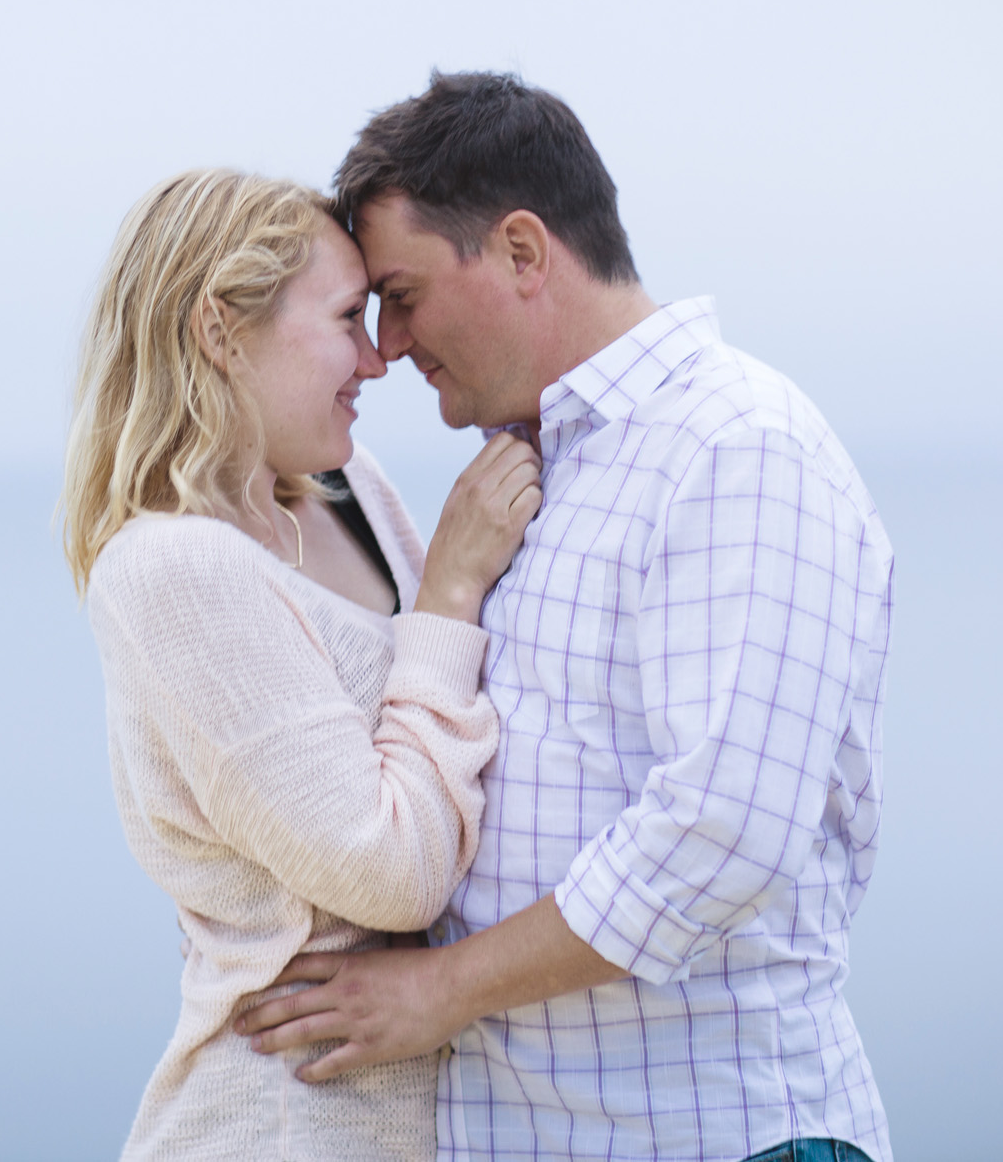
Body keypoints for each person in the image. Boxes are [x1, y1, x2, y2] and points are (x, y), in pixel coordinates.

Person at [235, 73, 896, 1162]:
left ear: (522, 252)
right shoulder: (529, 470)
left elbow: (720, 832)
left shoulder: (735, 443)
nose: (387, 345)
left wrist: (433, 991)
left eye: (399, 293)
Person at [63, 168, 543, 1160]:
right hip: (287, 1121)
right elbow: (391, 872)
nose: (376, 358)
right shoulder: (173, 567)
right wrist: (449, 594)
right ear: (218, 333)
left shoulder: (342, 484)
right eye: (342, 318)